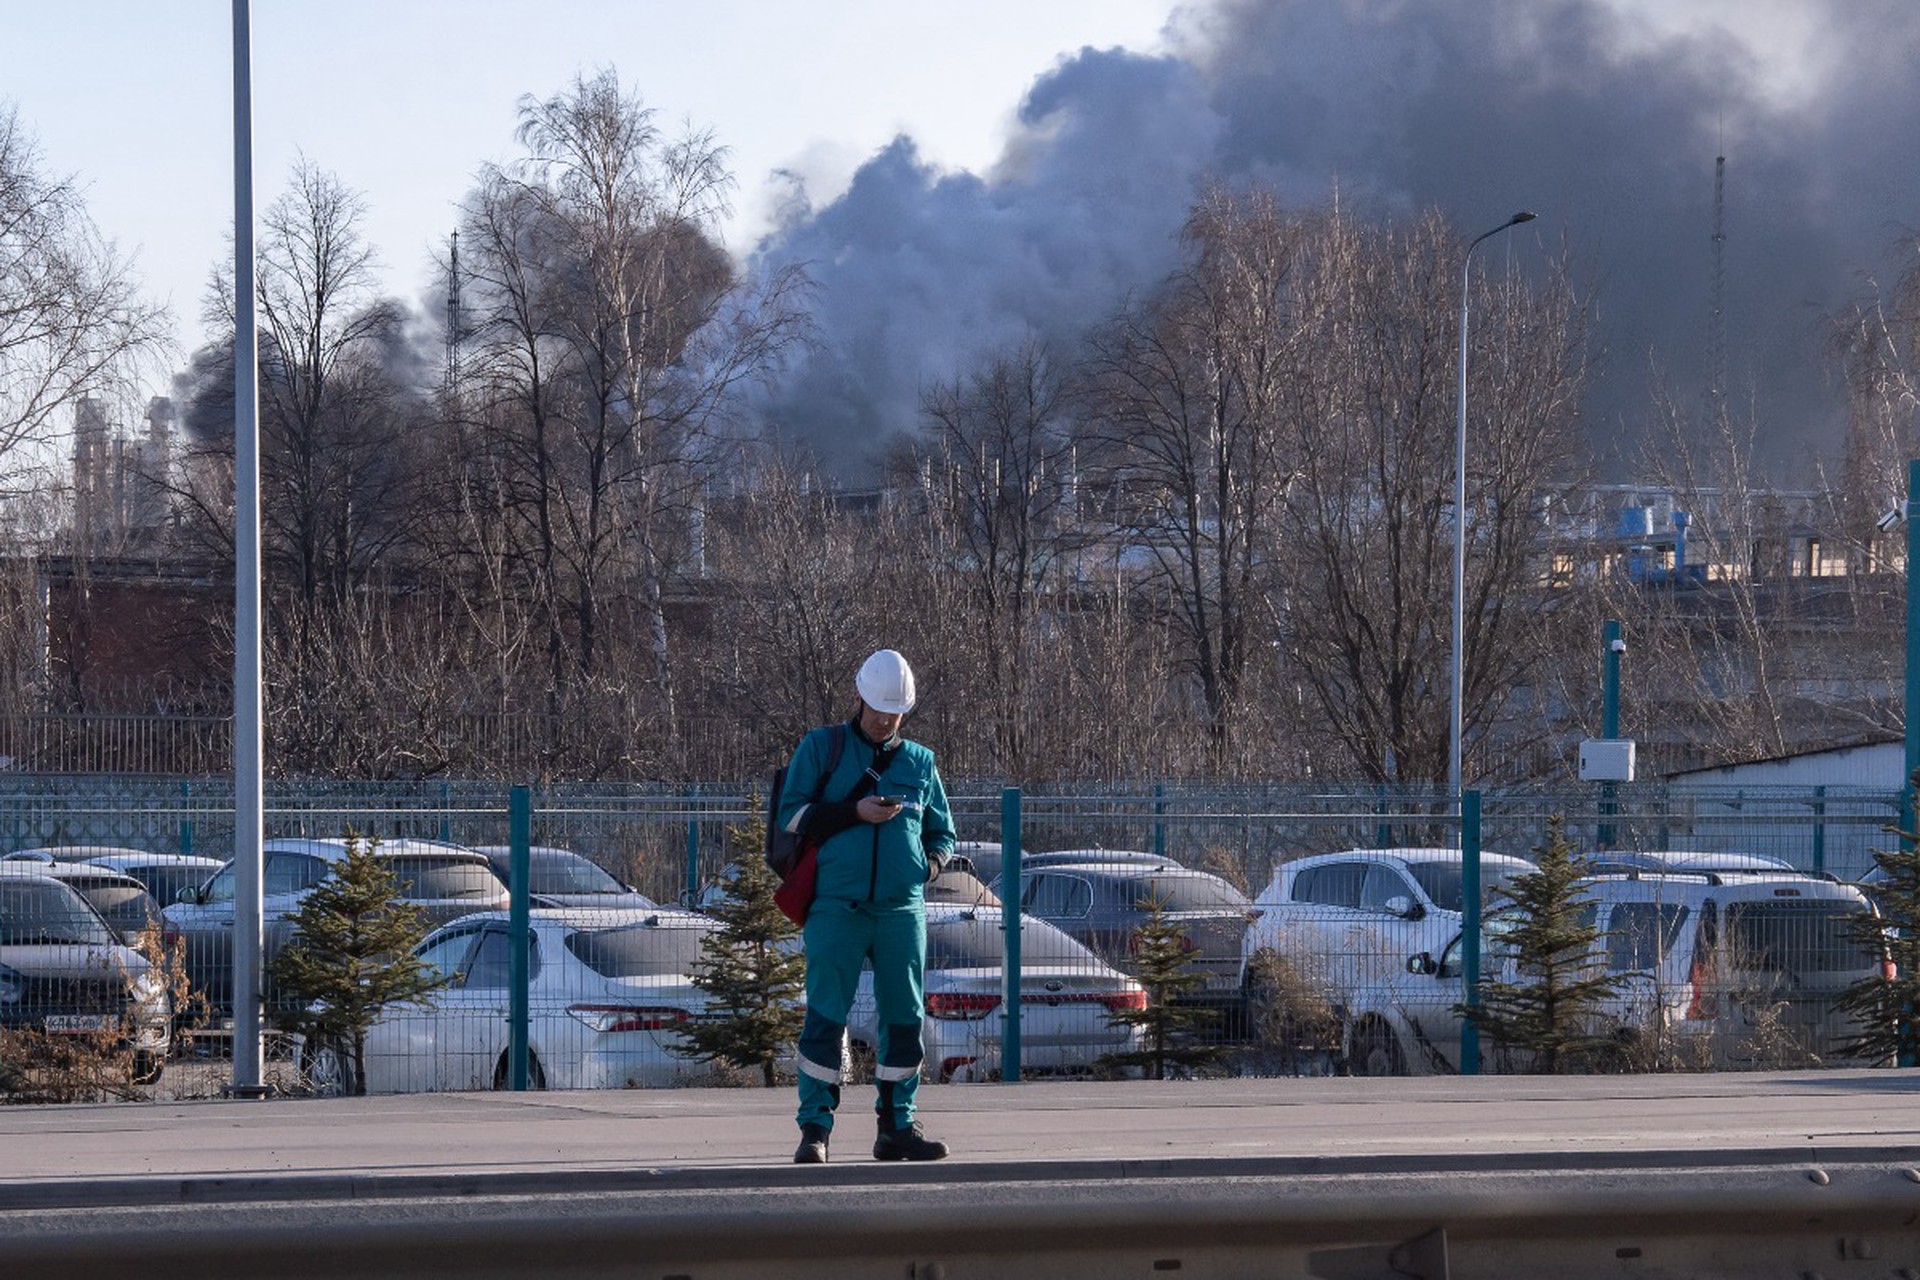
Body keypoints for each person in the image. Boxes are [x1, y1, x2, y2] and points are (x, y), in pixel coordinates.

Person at [778, 649, 957, 1164]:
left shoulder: (921, 762)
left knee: (904, 1017)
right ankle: (815, 1130)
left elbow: (941, 831)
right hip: (836, 906)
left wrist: (929, 865)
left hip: (902, 910)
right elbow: (791, 817)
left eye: (895, 712)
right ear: (859, 697)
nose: (885, 720)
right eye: (878, 708)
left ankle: (897, 1127)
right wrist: (852, 812)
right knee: (825, 1016)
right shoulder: (822, 748)